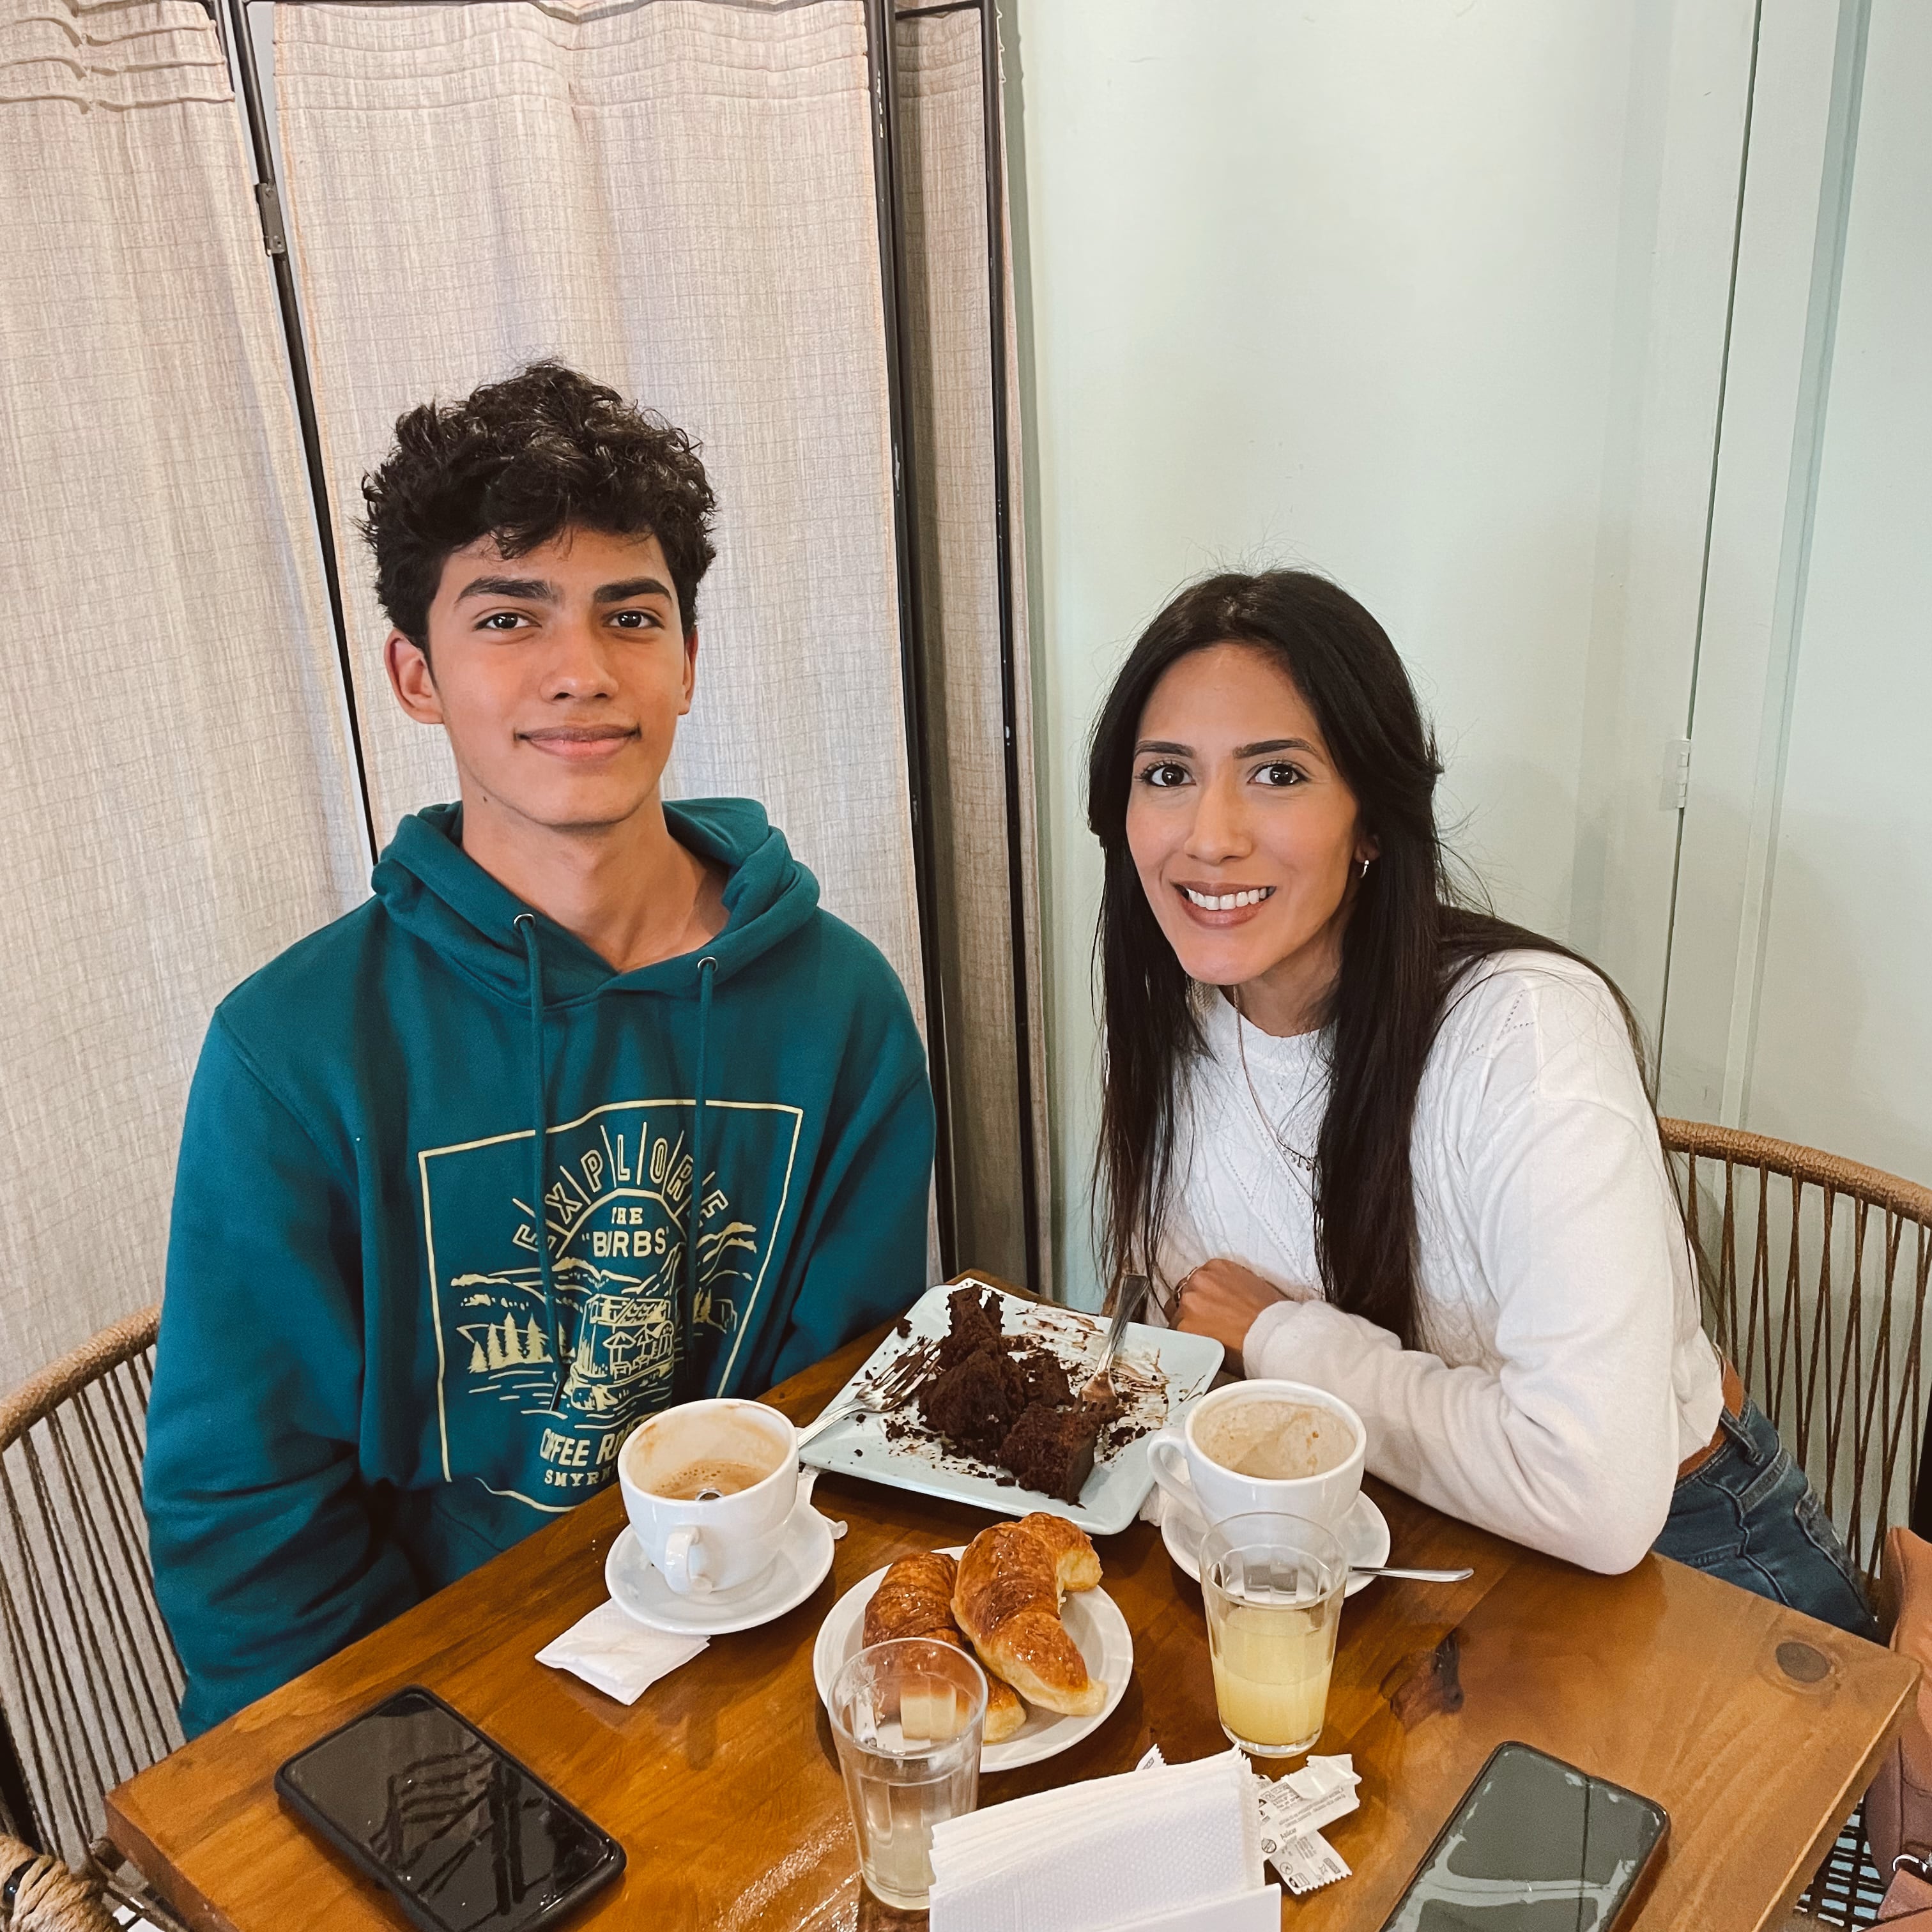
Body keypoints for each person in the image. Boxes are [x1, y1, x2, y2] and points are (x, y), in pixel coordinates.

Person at [145, 362, 935, 1733]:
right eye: (509, 617)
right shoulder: (293, 1054)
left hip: (756, 1659)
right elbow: (248, 1514)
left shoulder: (841, 1010)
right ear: (416, 675)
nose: (581, 672)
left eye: (630, 616)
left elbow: (842, 1408)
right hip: (425, 1698)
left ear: (686, 659)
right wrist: (392, 1770)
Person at [1087, 568, 1874, 1636]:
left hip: (1682, 1567)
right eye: (1167, 773)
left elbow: (1592, 1497)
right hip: (1385, 1549)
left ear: (1371, 819)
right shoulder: (1175, 1034)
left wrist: (1282, 1334)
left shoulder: (1526, 1034)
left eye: (1276, 773)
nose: (1210, 834)